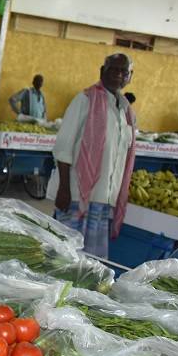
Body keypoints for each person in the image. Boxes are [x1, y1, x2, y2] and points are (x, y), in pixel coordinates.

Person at [49, 53, 137, 258]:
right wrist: (63, 188)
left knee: (91, 262)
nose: (118, 75)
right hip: (76, 195)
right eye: (113, 69)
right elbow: (63, 147)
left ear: (130, 77)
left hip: (104, 199)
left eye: (124, 72)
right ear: (102, 71)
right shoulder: (85, 99)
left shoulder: (126, 110)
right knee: (66, 256)